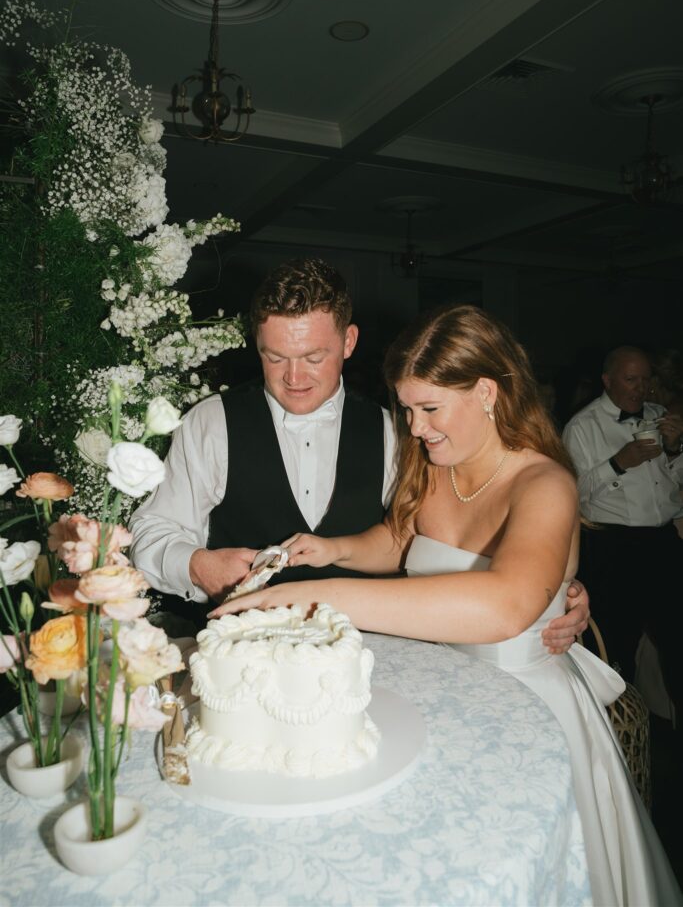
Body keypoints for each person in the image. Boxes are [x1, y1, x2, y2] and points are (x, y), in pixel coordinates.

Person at [211, 304, 682, 907]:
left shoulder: (544, 483)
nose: (415, 428)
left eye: (429, 409)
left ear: (487, 392)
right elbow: (405, 541)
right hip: (445, 694)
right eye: (407, 409)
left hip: (530, 711)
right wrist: (330, 550)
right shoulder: (437, 465)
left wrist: (312, 598)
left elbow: (506, 605)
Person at [130, 257, 586, 649]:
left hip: (375, 658)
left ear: (348, 342)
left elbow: (502, 585)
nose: (294, 377)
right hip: (246, 656)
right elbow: (405, 539)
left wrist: (553, 588)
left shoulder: (398, 431)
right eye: (275, 358)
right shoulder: (211, 421)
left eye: (313, 357)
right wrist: (197, 563)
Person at [562, 345, 683, 729]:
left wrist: (677, 449)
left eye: (647, 379)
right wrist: (620, 463)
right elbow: (572, 494)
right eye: (632, 379)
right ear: (608, 380)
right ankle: (621, 743)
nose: (641, 388)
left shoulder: (660, 417)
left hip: (663, 543)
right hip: (612, 547)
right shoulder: (582, 426)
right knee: (615, 649)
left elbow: (673, 488)